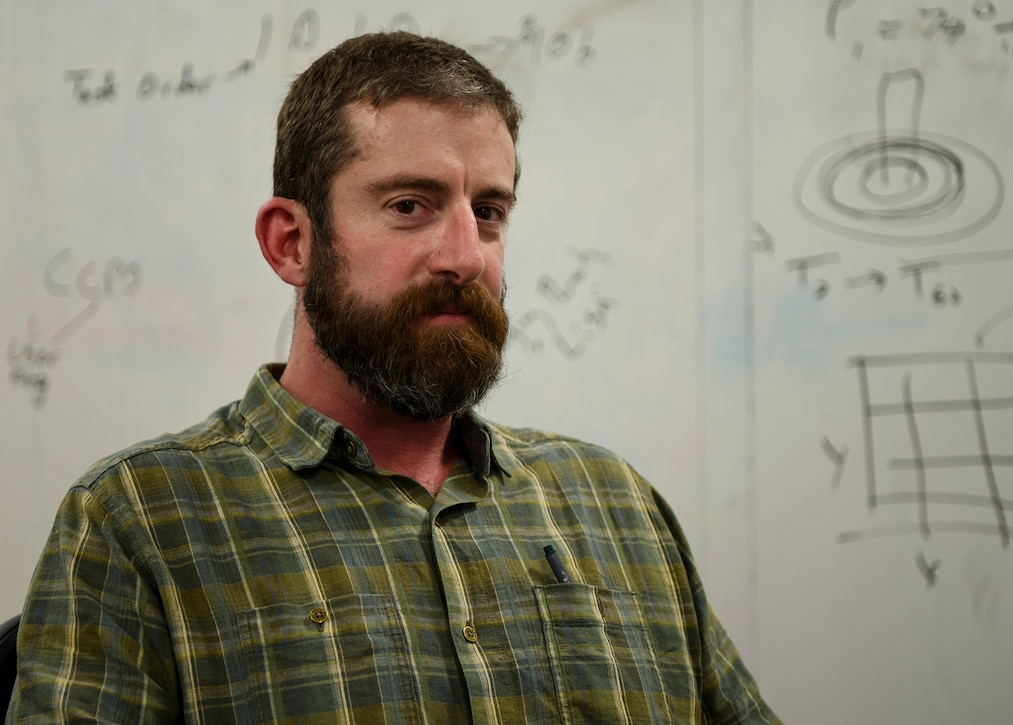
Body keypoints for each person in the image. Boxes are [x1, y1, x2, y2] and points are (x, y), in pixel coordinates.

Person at [8, 32, 780, 724]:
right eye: (410, 205)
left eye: (489, 211)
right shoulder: (143, 519)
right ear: (292, 243)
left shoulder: (617, 505)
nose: (465, 254)